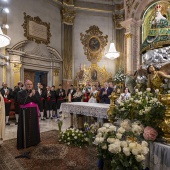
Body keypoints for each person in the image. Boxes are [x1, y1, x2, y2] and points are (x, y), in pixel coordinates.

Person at [17, 80, 40, 149]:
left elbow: (38, 100)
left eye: (31, 84)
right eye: (28, 84)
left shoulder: (35, 92)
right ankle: (24, 143)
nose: (30, 86)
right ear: (25, 85)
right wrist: (30, 96)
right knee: (25, 127)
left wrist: (32, 97)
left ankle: (34, 141)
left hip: (33, 112)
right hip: (24, 113)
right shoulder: (20, 92)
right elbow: (21, 101)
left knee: (33, 126)